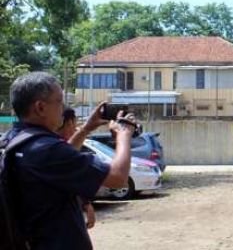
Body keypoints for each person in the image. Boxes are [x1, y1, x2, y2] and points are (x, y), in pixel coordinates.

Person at [4, 72, 135, 250]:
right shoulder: (48, 149)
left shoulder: (13, 141)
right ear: (40, 108)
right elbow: (118, 178)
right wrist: (124, 135)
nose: (63, 107)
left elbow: (60, 162)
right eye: (59, 101)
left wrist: (86, 128)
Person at [57, 107, 96, 230]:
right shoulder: (57, 148)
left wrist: (86, 204)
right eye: (75, 122)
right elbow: (117, 177)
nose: (75, 128)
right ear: (69, 122)